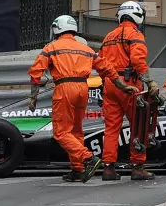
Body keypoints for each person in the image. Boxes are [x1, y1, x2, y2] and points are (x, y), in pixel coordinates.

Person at [28, 15, 136, 183]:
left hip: (64, 88)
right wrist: (121, 85)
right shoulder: (85, 48)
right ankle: (78, 169)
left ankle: (88, 159)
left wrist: (33, 97)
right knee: (76, 131)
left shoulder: (51, 47)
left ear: (57, 29)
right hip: (82, 89)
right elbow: (106, 66)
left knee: (62, 132)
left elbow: (36, 72)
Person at [99, 0, 158, 181]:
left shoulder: (108, 36)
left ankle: (108, 168)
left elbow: (100, 63)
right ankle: (137, 167)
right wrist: (150, 82)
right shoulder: (135, 34)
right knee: (138, 126)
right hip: (130, 85)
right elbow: (138, 60)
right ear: (137, 16)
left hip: (111, 84)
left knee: (111, 128)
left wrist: (108, 82)